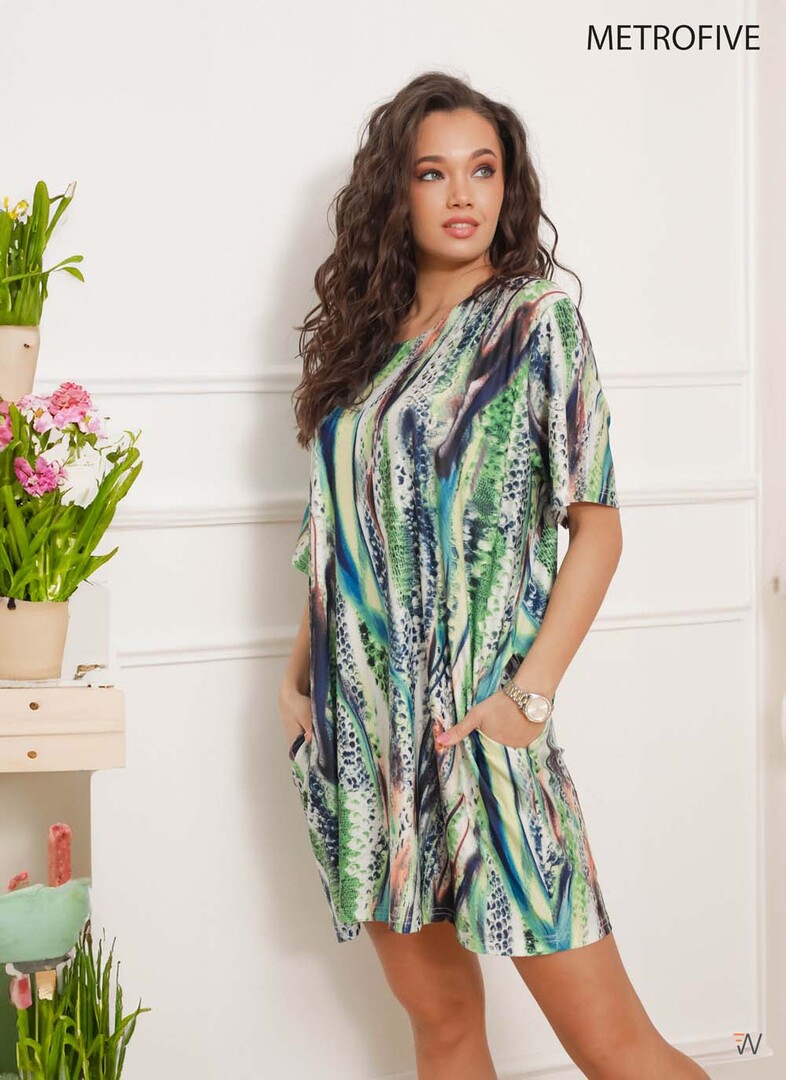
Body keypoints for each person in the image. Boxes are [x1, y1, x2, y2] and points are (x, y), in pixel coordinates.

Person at [279, 71, 709, 1080]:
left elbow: (597, 528)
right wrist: (296, 675)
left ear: (509, 187)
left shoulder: (535, 322)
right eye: (433, 173)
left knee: (618, 1051)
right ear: (397, 192)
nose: (462, 193)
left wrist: (529, 697)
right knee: (439, 1025)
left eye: (483, 170)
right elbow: (338, 529)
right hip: (364, 740)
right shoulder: (366, 345)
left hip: (483, 731)